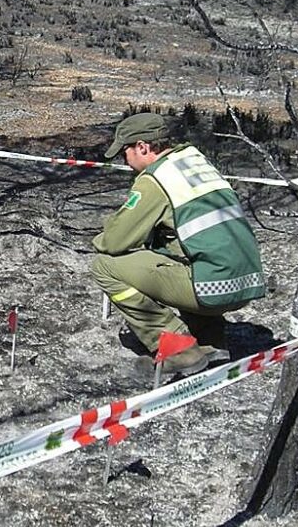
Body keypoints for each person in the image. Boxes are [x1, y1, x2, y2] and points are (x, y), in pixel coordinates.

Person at [90, 112, 266, 377]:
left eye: (124, 151)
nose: (124, 160)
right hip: (248, 281)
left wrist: (105, 233)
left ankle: (179, 351)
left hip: (212, 287)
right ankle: (210, 342)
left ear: (142, 147)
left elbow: (114, 242)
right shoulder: (195, 162)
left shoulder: (155, 180)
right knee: (176, 251)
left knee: (104, 266)